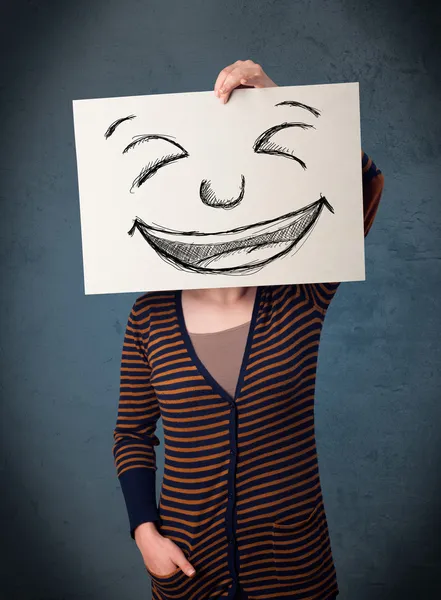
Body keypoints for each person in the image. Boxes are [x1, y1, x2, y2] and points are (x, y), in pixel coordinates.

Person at [112, 60, 384, 600]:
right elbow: (132, 434)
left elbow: (366, 185)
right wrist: (145, 532)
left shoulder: (301, 294)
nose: (221, 194)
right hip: (189, 568)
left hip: (294, 569)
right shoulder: (149, 316)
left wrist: (278, 100)